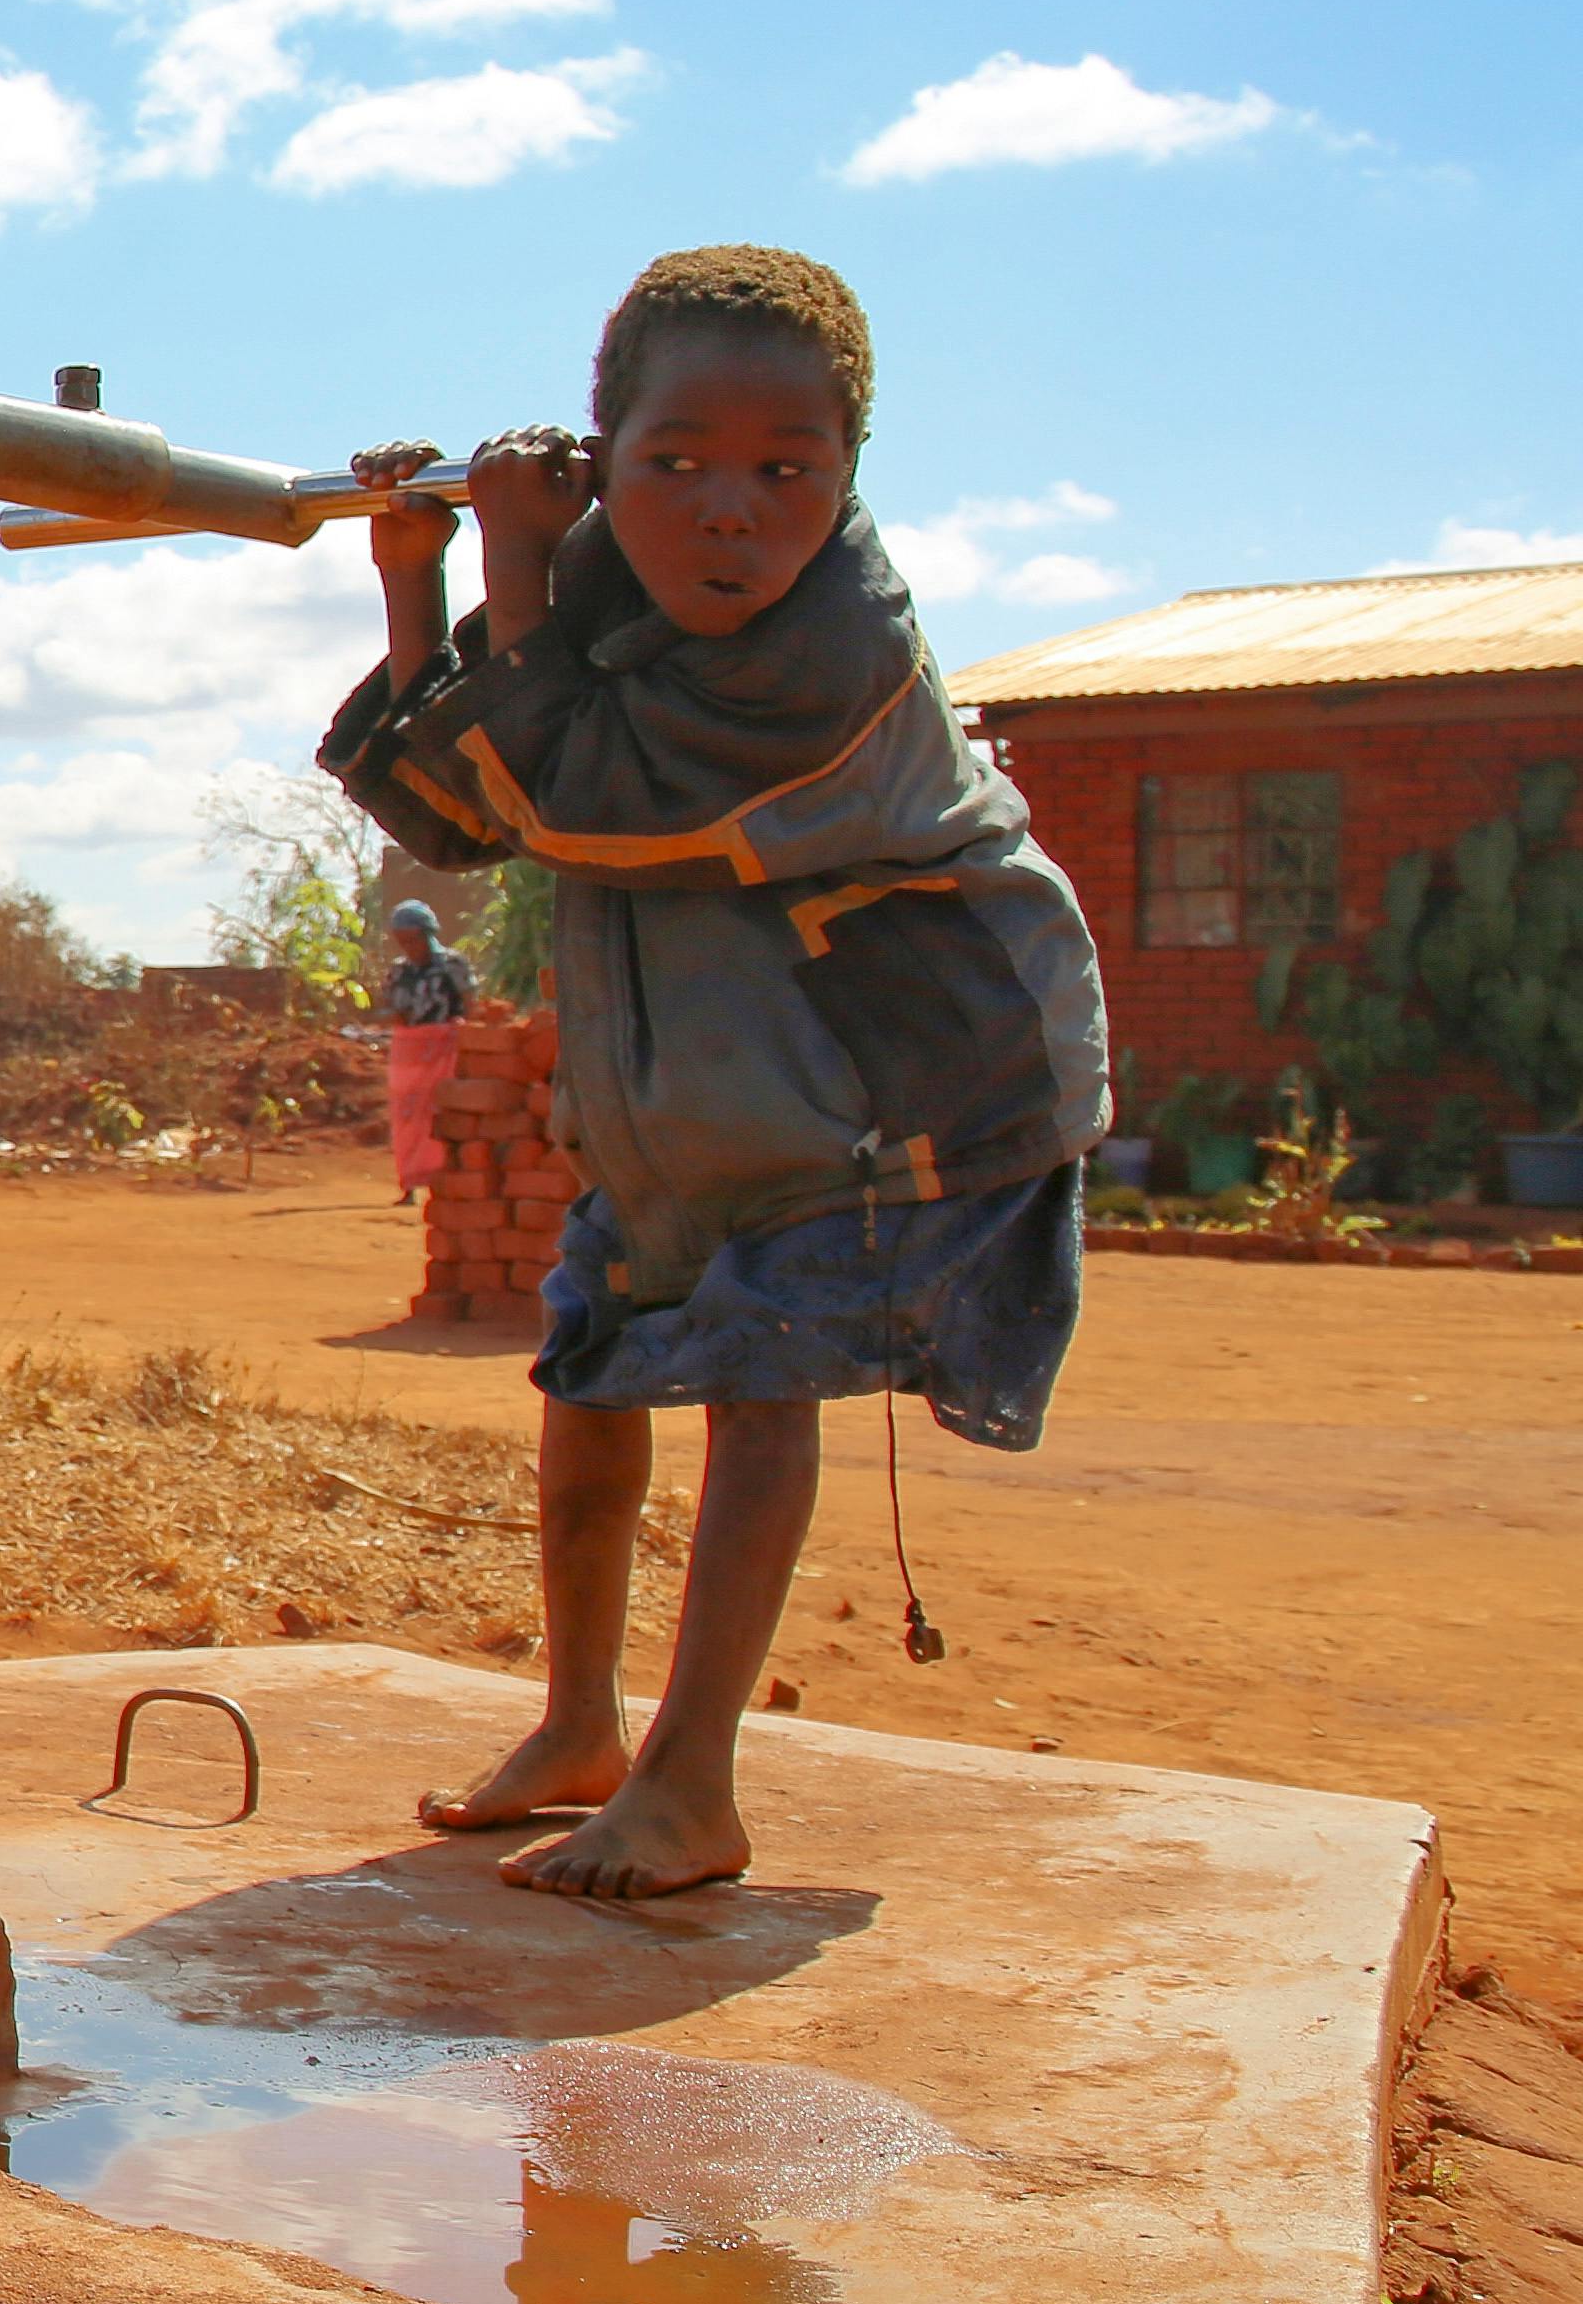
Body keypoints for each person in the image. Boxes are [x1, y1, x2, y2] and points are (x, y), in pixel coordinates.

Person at [323, 247, 1103, 1900]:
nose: (728, 515)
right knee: (591, 1380)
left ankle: (693, 1784)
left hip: (894, 1076)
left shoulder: (834, 649)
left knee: (762, 1389)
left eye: (785, 473)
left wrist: (515, 562)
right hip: (695, 1087)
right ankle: (580, 1731)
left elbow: (575, 798)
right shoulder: (603, 574)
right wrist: (420, 572)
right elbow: (460, 807)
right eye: (674, 465)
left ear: (849, 474)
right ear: (608, 455)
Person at [375, 896, 477, 1195]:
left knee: (441, 1113)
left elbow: (470, 1005)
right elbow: (392, 1009)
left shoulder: (453, 965)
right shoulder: (399, 971)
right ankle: (410, 1183)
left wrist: (462, 1033)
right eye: (402, 941)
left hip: (446, 1051)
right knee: (407, 1115)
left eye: (413, 939)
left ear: (427, 933)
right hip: (410, 1054)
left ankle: (445, 1181)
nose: (408, 947)